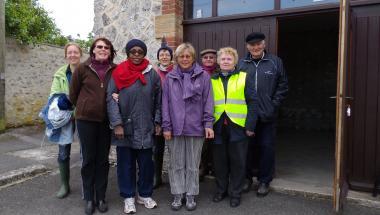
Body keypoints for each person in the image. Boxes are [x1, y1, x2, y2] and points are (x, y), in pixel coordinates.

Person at [107, 39, 161, 214]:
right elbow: (111, 99)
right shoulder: (119, 72)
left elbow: (159, 100)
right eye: (133, 51)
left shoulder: (151, 73)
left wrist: (158, 121)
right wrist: (117, 124)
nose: (136, 54)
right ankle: (129, 197)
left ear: (144, 53)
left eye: (140, 51)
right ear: (128, 53)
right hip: (125, 128)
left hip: (146, 127)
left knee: (146, 164)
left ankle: (144, 194)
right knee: (126, 165)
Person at [162, 43, 214, 211]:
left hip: (195, 127)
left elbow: (208, 102)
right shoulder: (170, 78)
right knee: (176, 163)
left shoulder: (204, 76)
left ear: (193, 58)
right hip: (175, 128)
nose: (185, 59)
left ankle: (191, 194)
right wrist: (166, 127)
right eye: (181, 56)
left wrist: (208, 124)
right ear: (176, 59)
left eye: (188, 56)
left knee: (193, 164)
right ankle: (178, 193)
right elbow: (165, 105)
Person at [70, 37, 117, 215]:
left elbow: (120, 88)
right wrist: (85, 106)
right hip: (86, 121)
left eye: (106, 47)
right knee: (88, 160)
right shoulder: (82, 68)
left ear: (110, 51)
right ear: (93, 50)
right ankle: (89, 198)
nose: (103, 49)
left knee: (103, 160)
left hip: (106, 122)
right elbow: (73, 95)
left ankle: (101, 197)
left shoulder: (115, 69)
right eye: (99, 46)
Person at [238, 32, 288, 197]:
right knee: (247, 148)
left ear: (264, 44)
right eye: (252, 45)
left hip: (268, 115)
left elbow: (283, 85)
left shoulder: (275, 62)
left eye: (258, 44)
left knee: (267, 148)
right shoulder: (241, 64)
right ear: (247, 47)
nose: (256, 47)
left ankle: (264, 181)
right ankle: (247, 178)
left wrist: (273, 105)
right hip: (247, 116)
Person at [211, 47, 257, 207]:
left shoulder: (244, 77)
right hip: (217, 127)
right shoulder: (211, 79)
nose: (225, 61)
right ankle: (221, 190)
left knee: (238, 162)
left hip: (238, 126)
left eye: (229, 59)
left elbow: (253, 102)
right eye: (223, 59)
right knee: (219, 162)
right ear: (218, 61)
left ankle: (235, 193)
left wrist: (250, 125)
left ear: (235, 62)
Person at [49, 42, 82, 199]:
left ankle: (87, 186)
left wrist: (69, 100)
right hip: (66, 116)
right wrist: (70, 104)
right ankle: (64, 185)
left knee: (86, 153)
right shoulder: (60, 74)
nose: (73, 55)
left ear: (80, 54)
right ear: (65, 55)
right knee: (63, 153)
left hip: (83, 115)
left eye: (75, 52)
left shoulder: (85, 71)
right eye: (70, 52)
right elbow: (56, 95)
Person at [152, 37, 174, 189]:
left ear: (171, 57)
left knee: (174, 149)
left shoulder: (177, 72)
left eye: (167, 54)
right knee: (156, 148)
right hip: (158, 115)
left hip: (174, 116)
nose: (164, 56)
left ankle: (175, 178)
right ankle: (156, 177)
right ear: (158, 57)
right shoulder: (153, 73)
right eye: (162, 54)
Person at [199, 48, 218, 181]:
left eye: (211, 57)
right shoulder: (198, 73)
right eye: (206, 57)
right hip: (202, 113)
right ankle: (202, 167)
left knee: (217, 143)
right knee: (203, 144)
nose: (209, 59)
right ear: (202, 60)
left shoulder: (220, 73)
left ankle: (215, 167)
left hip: (219, 113)